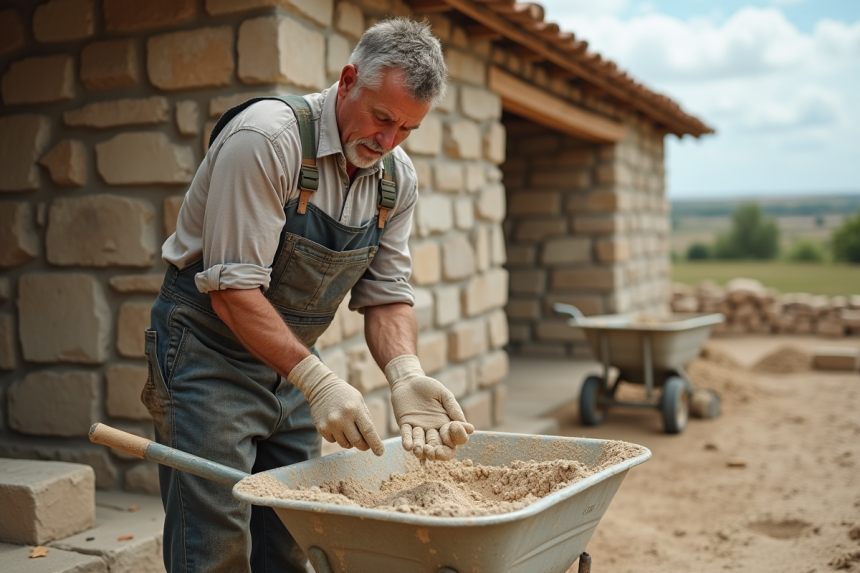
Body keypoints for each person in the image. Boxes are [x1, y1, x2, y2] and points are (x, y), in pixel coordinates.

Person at [142, 18, 473, 573]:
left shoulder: (396, 179)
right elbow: (232, 291)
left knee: (296, 532)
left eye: (407, 129)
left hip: (290, 363)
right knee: (215, 544)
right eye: (382, 117)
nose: (388, 141)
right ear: (347, 81)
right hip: (205, 353)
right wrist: (318, 381)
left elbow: (387, 295)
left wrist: (406, 374)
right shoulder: (267, 140)